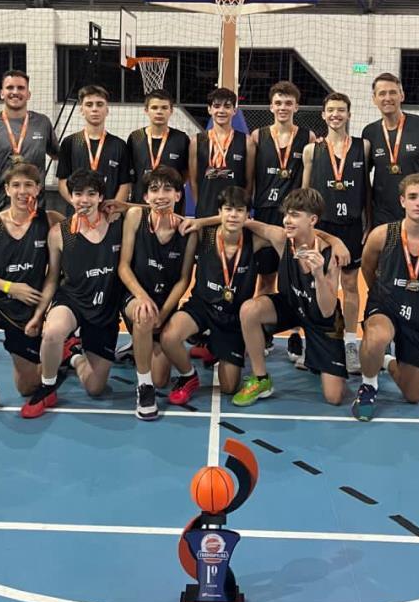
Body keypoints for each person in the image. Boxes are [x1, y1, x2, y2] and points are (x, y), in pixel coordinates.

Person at [362, 71, 419, 375]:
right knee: (385, 283)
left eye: (392, 92)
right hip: (386, 223)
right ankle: (386, 339)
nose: (387, 98)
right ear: (374, 99)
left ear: (402, 95)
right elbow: (365, 182)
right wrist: (368, 222)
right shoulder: (370, 133)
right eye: (381, 93)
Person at [0, 162, 63, 423]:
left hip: (28, 307)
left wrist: (40, 314)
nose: (22, 191)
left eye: (28, 185)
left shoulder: (50, 221)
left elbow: (53, 274)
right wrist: (9, 287)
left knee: (27, 388)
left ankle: (60, 356)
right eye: (16, 185)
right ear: (7, 189)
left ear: (38, 189)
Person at [351, 174, 419, 422]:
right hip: (385, 306)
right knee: (377, 337)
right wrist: (381, 294)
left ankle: (386, 361)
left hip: (418, 317)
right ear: (402, 201)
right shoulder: (382, 235)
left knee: (413, 395)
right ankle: (368, 386)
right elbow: (368, 268)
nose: (418, 203)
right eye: (412, 197)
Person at [23, 169, 124, 419]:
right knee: (52, 332)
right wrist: (39, 315)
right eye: (78, 194)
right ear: (71, 197)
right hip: (72, 301)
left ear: (101, 197)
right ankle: (48, 387)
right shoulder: (59, 233)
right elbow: (52, 278)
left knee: (95, 388)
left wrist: (124, 205)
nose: (84, 200)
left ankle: (74, 355)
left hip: (104, 309)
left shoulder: (118, 225)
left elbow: (152, 210)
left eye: (91, 194)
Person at [235, 188, 349, 407]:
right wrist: (200, 223)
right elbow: (245, 222)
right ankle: (261, 379)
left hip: (322, 322)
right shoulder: (282, 239)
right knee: (249, 310)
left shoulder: (330, 255)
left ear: (312, 220)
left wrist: (318, 274)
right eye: (286, 214)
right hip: (292, 307)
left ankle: (319, 360)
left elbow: (327, 310)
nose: (287, 220)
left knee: (334, 397)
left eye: (295, 215)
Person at [161, 186, 270, 400]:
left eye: (239, 210)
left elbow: (284, 233)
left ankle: (213, 346)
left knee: (229, 387)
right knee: (169, 337)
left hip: (232, 316)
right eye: (228, 209)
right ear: (219, 212)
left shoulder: (254, 240)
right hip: (202, 306)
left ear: (248, 215)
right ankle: (188, 376)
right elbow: (161, 212)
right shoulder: (204, 234)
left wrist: (335, 241)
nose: (233, 215)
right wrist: (202, 222)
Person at [118, 166, 198, 420]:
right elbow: (123, 266)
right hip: (136, 296)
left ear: (178, 195)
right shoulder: (135, 217)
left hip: (164, 303)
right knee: (144, 315)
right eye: (154, 190)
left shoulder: (187, 231)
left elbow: (184, 279)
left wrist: (163, 314)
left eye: (167, 189)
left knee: (162, 378)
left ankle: (142, 347)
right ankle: (144, 388)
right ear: (145, 197)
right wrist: (142, 297)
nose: (161, 195)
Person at [302, 92, 371, 374]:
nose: (336, 115)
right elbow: (305, 193)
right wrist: (306, 229)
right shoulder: (312, 150)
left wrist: (369, 223)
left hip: (352, 226)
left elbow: (368, 189)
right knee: (319, 284)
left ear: (349, 114)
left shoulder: (363, 147)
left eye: (341, 110)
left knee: (351, 285)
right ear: (323, 114)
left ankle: (351, 343)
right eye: (331, 110)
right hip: (322, 228)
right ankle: (316, 342)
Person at [249, 80, 315, 361]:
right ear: (271, 106)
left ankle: (296, 335)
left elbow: (309, 180)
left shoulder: (308, 137)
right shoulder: (258, 136)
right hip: (265, 213)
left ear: (296, 107)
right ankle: (264, 332)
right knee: (266, 278)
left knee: (298, 278)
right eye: (278, 103)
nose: (283, 107)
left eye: (288, 103)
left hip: (294, 217)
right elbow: (250, 176)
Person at [0, 70, 59, 221]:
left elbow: (57, 155)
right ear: (2, 93)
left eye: (21, 88)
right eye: (9, 88)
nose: (15, 92)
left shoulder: (42, 123)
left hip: (33, 210)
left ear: (28, 94)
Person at [57, 85, 131, 209]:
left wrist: (113, 210)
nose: (94, 109)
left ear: (107, 110)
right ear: (81, 110)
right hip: (77, 213)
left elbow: (125, 184)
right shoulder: (70, 142)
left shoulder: (119, 145)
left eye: (99, 104)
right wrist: (78, 204)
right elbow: (62, 182)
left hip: (109, 215)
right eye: (89, 105)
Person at [189, 87, 254, 219]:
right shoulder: (196, 141)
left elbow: (250, 181)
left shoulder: (247, 142)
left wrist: (242, 207)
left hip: (234, 213)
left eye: (227, 106)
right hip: (205, 211)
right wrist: (200, 205)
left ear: (234, 110)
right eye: (217, 106)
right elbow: (193, 180)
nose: (221, 111)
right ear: (209, 109)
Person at [126, 89, 190, 216]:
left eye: (164, 108)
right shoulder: (135, 137)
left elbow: (186, 173)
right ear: (146, 110)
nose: (159, 112)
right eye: (154, 107)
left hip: (171, 205)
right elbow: (130, 172)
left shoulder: (181, 138)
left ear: (171, 111)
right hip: (141, 202)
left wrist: (166, 187)